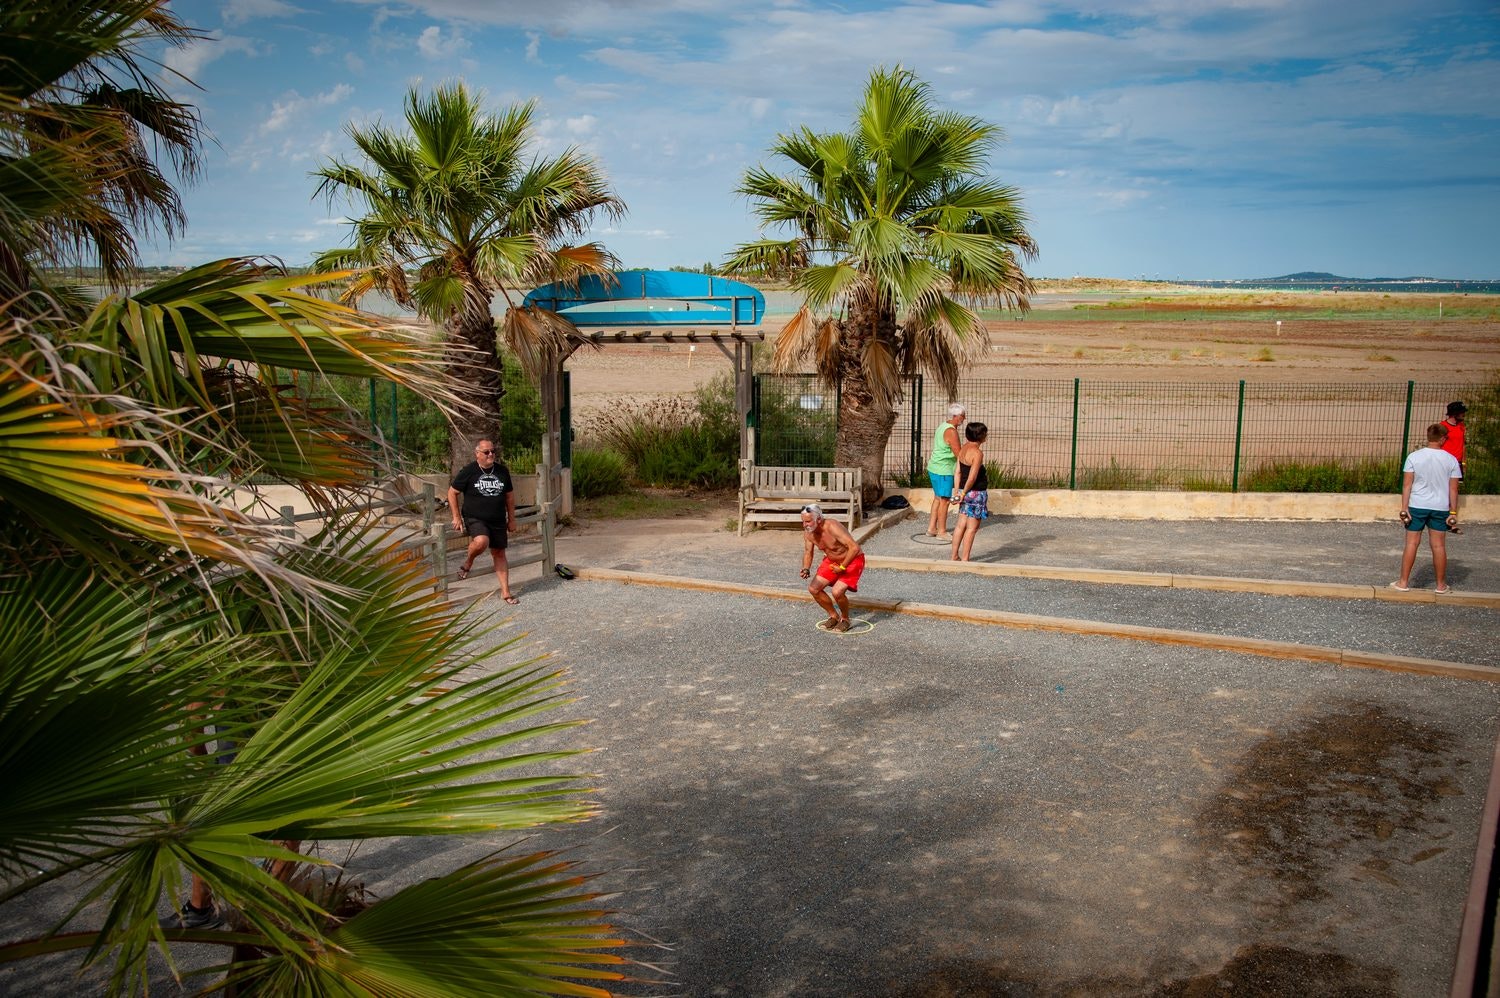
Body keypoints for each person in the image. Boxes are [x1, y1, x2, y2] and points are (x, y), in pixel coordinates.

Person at [1392, 422, 1463, 594]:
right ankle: (1440, 585)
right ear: (1443, 439)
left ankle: (1403, 582)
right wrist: (1453, 512)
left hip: (1417, 505)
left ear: (1428, 437)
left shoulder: (1414, 457)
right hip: (1440, 506)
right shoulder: (1451, 459)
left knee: (1411, 543)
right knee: (1438, 546)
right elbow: (1453, 489)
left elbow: (1407, 485)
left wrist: (1404, 508)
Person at [448, 438, 519, 604]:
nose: (491, 454)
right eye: (486, 452)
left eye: (493, 451)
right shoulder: (469, 471)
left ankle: (506, 593)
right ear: (477, 454)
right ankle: (469, 561)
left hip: (498, 519)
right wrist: (456, 516)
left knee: (499, 553)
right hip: (475, 517)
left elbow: (509, 496)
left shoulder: (502, 471)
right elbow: (452, 493)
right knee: (481, 542)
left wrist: (512, 519)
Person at [799, 504, 865, 632]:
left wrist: (842, 567)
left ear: (818, 519)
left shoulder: (832, 526)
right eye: (802, 521)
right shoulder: (808, 533)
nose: (804, 525)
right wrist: (806, 568)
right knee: (814, 589)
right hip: (832, 561)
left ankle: (845, 619)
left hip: (852, 560)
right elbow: (808, 552)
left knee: (837, 592)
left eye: (807, 521)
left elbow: (854, 548)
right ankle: (833, 616)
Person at [925, 403, 965, 540]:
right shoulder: (951, 431)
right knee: (945, 500)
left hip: (934, 467)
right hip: (944, 470)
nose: (964, 419)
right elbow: (958, 453)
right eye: (962, 416)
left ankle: (932, 527)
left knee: (937, 498)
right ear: (955, 416)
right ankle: (941, 531)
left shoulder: (943, 426)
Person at [950, 422, 989, 562]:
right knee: (971, 528)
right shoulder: (977, 453)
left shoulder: (963, 448)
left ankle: (954, 556)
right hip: (975, 493)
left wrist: (957, 492)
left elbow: (958, 472)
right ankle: (965, 559)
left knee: (961, 525)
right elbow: (972, 477)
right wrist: (963, 493)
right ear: (981, 435)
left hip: (962, 491)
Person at [1441, 400, 1467, 473]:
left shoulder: (1462, 426)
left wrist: (1464, 463)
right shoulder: (1443, 426)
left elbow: (1463, 445)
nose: (1464, 414)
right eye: (1462, 412)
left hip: (1458, 463)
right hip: (1445, 463)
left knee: (1457, 484)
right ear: (1454, 413)